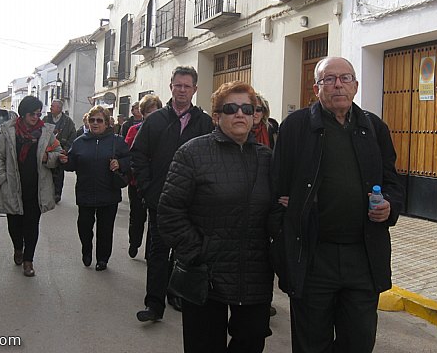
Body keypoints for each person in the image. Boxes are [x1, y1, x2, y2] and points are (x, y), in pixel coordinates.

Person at [271, 57, 404, 353]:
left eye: (345, 78)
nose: (338, 85)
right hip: (314, 255)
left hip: (363, 255)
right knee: (311, 343)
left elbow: (393, 182)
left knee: (358, 340)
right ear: (317, 88)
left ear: (356, 85)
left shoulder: (374, 127)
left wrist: (390, 207)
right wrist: (288, 222)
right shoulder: (296, 126)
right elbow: (277, 187)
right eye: (329, 79)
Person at [159, 81, 282, 352]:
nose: (240, 114)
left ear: (255, 116)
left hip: (254, 275)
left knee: (250, 342)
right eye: (231, 108)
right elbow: (170, 212)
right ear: (217, 116)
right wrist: (197, 251)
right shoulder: (192, 153)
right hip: (205, 274)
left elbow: (275, 212)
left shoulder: (268, 159)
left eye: (247, 109)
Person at [131, 66, 213, 322]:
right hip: (161, 201)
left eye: (187, 86)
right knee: (157, 253)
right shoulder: (154, 120)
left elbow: (212, 159)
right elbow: (138, 155)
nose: (182, 90)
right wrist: (148, 188)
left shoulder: (205, 122)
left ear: (195, 89)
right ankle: (154, 305)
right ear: (171, 87)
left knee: (187, 251)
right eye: (178, 85)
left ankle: (178, 294)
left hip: (193, 202)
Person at [0, 96, 62, 277]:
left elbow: (58, 152)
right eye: (32, 113)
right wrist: (1, 179)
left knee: (32, 225)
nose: (36, 117)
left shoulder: (46, 132)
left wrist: (49, 158)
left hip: (36, 187)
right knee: (14, 225)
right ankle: (18, 248)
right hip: (13, 185)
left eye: (39, 114)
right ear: (23, 113)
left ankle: (28, 260)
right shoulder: (9, 132)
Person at [60, 106, 130, 271]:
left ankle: (103, 258)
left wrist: (120, 163)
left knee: (105, 229)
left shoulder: (117, 141)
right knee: (84, 226)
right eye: (92, 120)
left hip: (109, 193)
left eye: (99, 120)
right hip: (85, 192)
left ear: (106, 123)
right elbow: (71, 164)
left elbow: (130, 160)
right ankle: (86, 250)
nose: (95, 123)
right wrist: (64, 161)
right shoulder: (79, 142)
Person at [124, 94, 162, 259]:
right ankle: (134, 242)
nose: (151, 116)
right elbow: (128, 153)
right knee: (137, 216)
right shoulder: (134, 130)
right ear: (142, 113)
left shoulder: (165, 130)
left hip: (157, 181)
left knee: (154, 219)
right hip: (137, 181)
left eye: (155, 112)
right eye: (148, 112)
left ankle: (149, 252)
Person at [43, 99, 76, 203]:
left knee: (58, 173)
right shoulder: (46, 119)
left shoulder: (68, 121)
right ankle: (46, 192)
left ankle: (57, 193)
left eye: (53, 106)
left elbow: (72, 136)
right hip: (47, 152)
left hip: (61, 151)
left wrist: (66, 149)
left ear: (59, 108)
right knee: (46, 173)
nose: (51, 108)